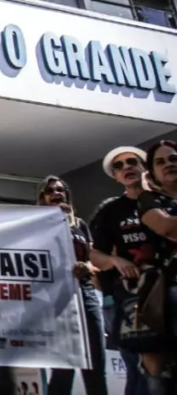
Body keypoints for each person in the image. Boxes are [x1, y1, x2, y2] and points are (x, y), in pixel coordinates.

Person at [89, 146, 164, 395]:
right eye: (118, 167)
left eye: (132, 162)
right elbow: (93, 253)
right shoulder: (110, 210)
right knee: (140, 365)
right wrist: (115, 261)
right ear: (115, 177)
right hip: (130, 299)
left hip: (168, 291)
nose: (126, 168)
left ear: (147, 166)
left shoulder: (165, 201)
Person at [38, 176, 108, 395]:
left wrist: (87, 266)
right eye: (50, 191)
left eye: (61, 190)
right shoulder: (35, 225)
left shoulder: (79, 224)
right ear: (42, 198)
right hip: (55, 298)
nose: (57, 193)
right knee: (63, 369)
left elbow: (92, 258)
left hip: (85, 292)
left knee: (95, 365)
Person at [130, 140, 177, 395]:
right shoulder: (149, 199)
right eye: (160, 161)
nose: (168, 164)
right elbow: (165, 227)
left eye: (173, 159)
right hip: (169, 290)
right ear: (153, 172)